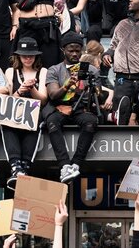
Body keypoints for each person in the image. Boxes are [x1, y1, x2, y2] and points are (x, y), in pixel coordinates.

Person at [44, 31, 101, 183]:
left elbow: (99, 96)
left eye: (78, 50)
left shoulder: (92, 70)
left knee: (91, 122)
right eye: (71, 50)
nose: (75, 54)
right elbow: (53, 95)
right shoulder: (54, 70)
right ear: (63, 50)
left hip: (81, 107)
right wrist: (67, 85)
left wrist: (93, 87)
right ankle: (64, 166)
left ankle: (75, 164)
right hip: (60, 107)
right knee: (52, 122)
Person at [2, 37, 49, 190]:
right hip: (15, 113)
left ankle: (25, 166)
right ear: (18, 56)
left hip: (34, 114)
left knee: (37, 117)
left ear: (36, 56)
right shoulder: (10, 71)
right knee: (5, 119)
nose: (28, 58)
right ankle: (16, 166)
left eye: (31, 55)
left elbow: (43, 101)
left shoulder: (42, 72)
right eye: (24, 55)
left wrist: (32, 89)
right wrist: (20, 90)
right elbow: (8, 100)